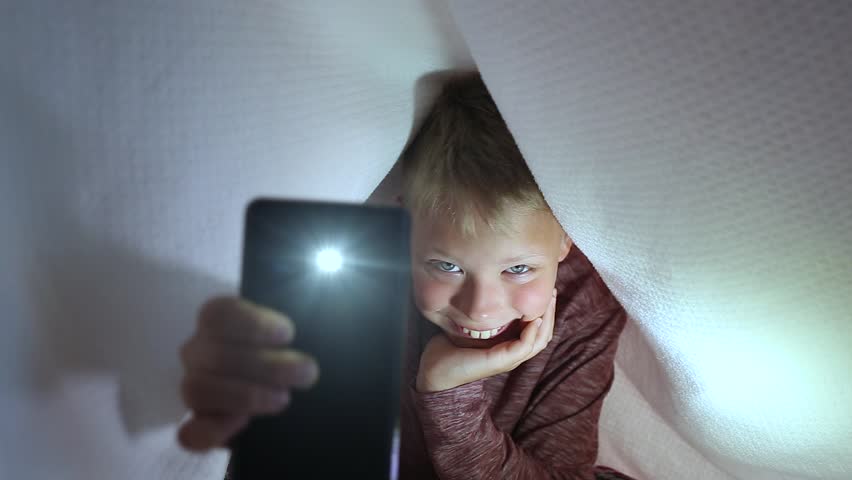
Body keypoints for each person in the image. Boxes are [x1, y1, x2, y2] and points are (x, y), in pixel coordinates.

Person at [178, 71, 632, 479]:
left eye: (518, 269)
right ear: (404, 232)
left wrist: (448, 392)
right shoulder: (362, 281)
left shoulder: (585, 309)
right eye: (447, 266)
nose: (480, 307)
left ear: (565, 242)